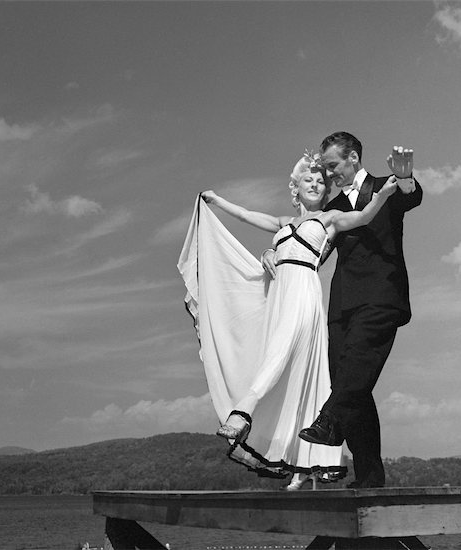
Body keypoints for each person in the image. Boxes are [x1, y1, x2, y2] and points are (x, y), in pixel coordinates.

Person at [178, 151, 397, 490]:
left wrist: (382, 194)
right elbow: (248, 215)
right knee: (285, 367)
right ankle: (300, 462)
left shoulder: (330, 219)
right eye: (308, 180)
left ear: (325, 192)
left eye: (320, 181)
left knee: (282, 351)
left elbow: (365, 217)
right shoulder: (283, 222)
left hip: (304, 292)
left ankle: (244, 410)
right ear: (296, 188)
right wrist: (218, 201)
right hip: (279, 294)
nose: (315, 184)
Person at [264, 132, 422, 489]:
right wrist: (274, 253)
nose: (330, 174)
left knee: (355, 372)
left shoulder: (386, 187)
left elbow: (412, 198)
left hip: (381, 298)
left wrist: (406, 179)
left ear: (353, 158)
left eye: (333, 166)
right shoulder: (333, 209)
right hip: (341, 306)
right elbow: (310, 246)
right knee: (353, 384)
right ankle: (369, 477)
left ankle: (328, 421)